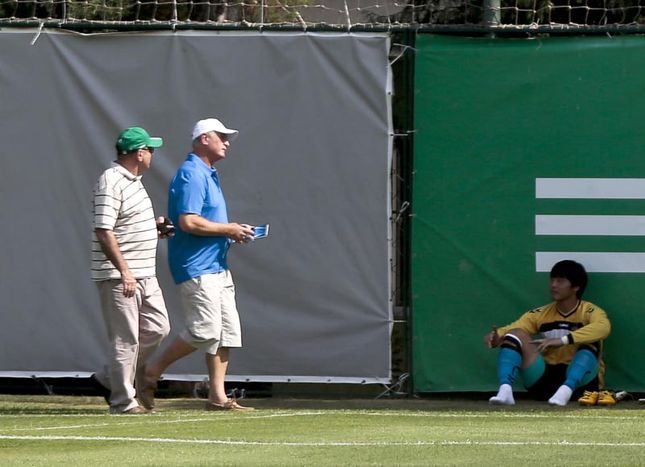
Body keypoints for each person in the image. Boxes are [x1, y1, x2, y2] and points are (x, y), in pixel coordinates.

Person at [140, 118, 255, 412]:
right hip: (197, 268)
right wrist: (228, 229)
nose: (227, 141)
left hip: (217, 266)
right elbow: (188, 222)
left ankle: (218, 397)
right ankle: (151, 371)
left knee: (226, 333)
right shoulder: (192, 173)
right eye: (222, 136)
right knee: (205, 331)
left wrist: (232, 232)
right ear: (205, 138)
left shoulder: (208, 173)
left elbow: (204, 222)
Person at [91, 127, 172, 414]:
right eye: (150, 149)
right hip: (120, 276)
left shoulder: (135, 182)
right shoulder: (110, 180)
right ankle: (123, 402)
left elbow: (125, 224)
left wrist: (154, 228)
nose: (153, 154)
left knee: (158, 328)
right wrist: (124, 272)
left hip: (145, 274)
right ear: (139, 153)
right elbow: (104, 230)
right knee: (126, 339)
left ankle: (107, 378)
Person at [484, 260, 611, 406]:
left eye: (560, 281)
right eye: (552, 280)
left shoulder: (590, 311)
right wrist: (496, 336)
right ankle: (505, 390)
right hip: (544, 381)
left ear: (576, 287)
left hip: (582, 387)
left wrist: (562, 340)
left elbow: (603, 328)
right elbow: (515, 328)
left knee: (593, 339)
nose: (553, 285)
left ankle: (566, 390)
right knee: (515, 333)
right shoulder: (541, 313)